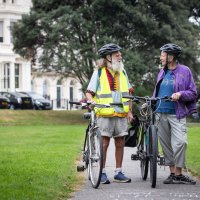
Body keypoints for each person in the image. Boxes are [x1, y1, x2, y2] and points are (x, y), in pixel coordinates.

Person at [85, 43, 133, 184]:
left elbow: (129, 93)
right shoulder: (99, 72)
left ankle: (118, 172)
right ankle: (102, 172)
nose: (120, 56)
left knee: (120, 143)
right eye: (117, 55)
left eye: (120, 54)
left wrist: (130, 110)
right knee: (103, 144)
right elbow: (89, 93)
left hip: (121, 114)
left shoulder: (122, 72)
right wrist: (91, 102)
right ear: (108, 57)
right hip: (105, 114)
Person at [153, 43, 198, 185]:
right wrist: (150, 102)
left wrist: (180, 94)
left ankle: (178, 173)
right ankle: (173, 173)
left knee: (180, 143)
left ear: (170, 57)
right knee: (166, 145)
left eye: (163, 54)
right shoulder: (162, 72)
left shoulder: (185, 71)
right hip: (160, 113)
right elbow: (157, 91)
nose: (160, 57)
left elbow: (193, 93)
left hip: (177, 113)